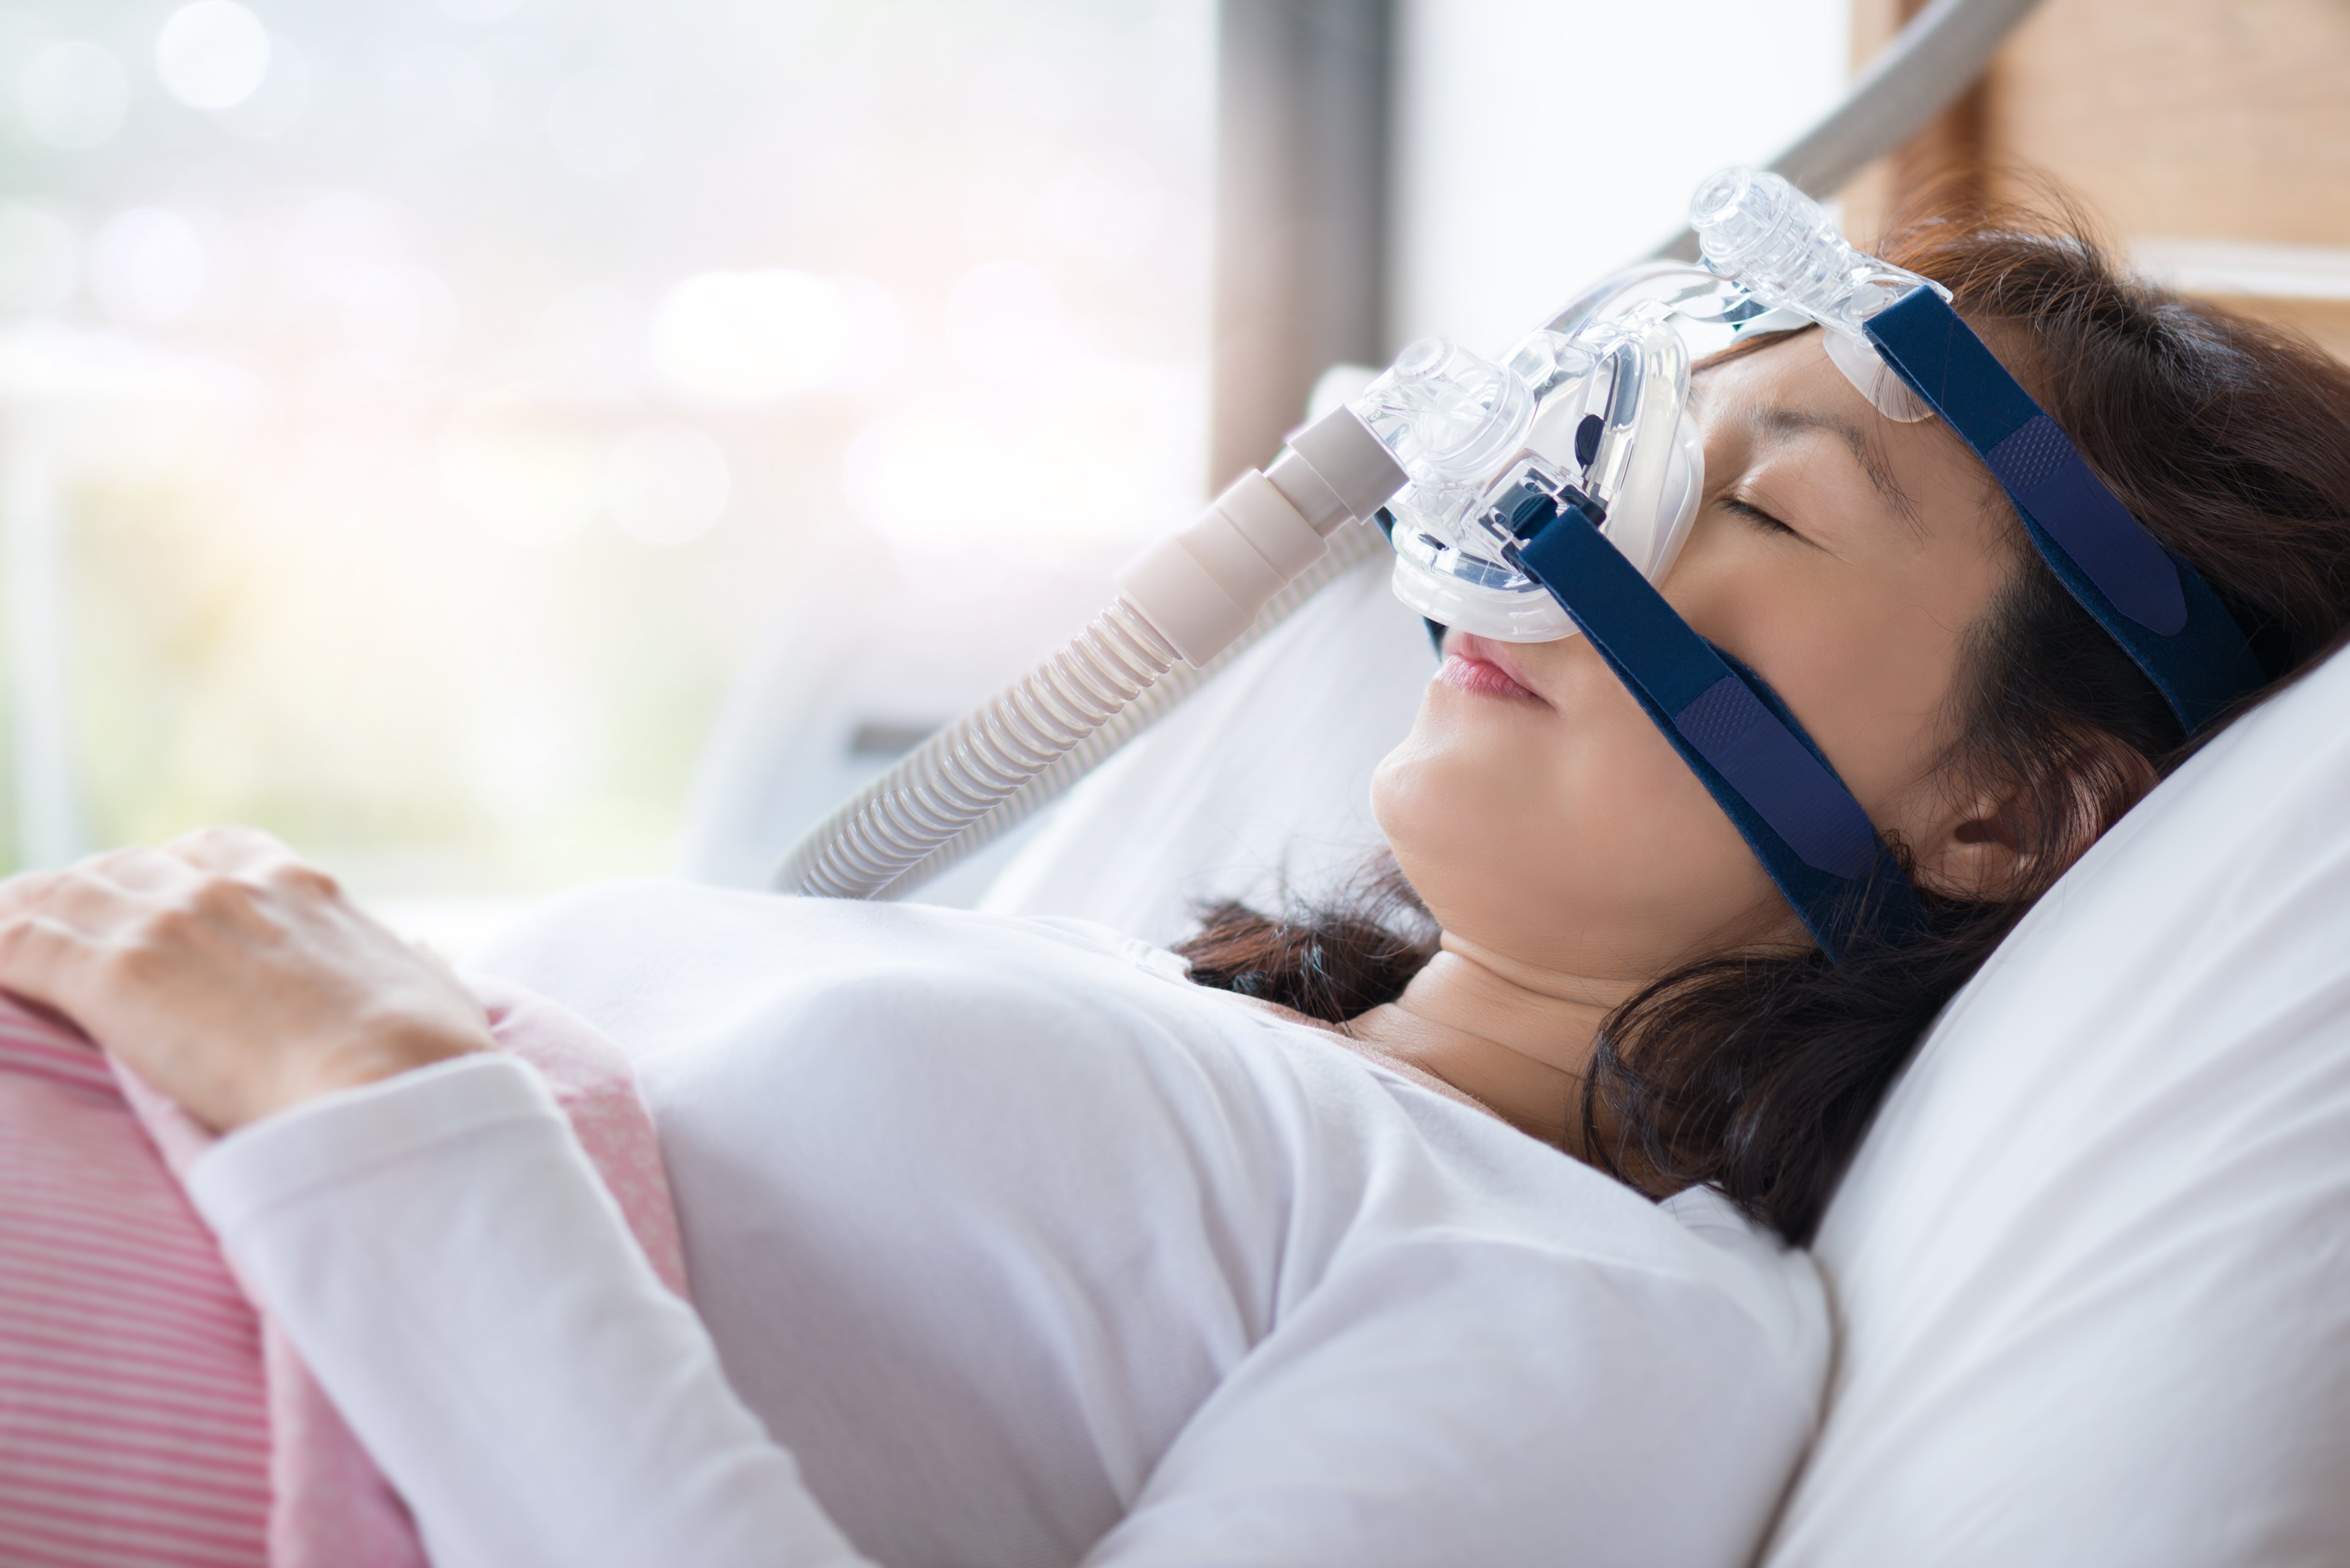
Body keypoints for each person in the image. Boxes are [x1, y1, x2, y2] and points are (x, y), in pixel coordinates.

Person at [6, 194, 2350, 1568]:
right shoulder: (1175, 1017)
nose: (1553, 534)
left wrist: (374, 1086)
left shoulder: (1604, 1315)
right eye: (1619, 442)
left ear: (2016, 811)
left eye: (1755, 504)